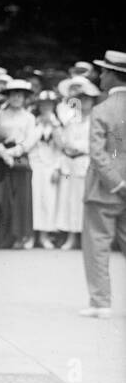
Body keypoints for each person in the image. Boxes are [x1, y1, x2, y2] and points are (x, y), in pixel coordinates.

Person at [81, 50, 126, 318]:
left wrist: (118, 183)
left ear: (112, 75)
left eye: (104, 72)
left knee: (97, 244)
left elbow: (98, 154)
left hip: (105, 190)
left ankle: (101, 303)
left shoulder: (102, 109)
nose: (100, 76)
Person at [0, 80, 38, 249]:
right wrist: (2, 152)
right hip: (1, 159)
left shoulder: (29, 117)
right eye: (13, 94)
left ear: (24, 98)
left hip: (19, 159)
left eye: (20, 95)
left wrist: (13, 153)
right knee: (3, 198)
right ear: (8, 96)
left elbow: (30, 141)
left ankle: (21, 236)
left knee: (21, 200)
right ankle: (5, 237)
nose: (16, 98)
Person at [54, 77, 97, 249]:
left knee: (84, 201)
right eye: (82, 99)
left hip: (85, 162)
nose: (84, 102)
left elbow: (94, 143)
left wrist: (77, 147)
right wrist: (67, 145)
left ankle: (86, 238)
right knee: (70, 200)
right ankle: (71, 237)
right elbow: (65, 140)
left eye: (87, 99)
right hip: (70, 163)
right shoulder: (72, 118)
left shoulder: (96, 119)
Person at [30, 91, 64, 248]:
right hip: (35, 164)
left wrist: (58, 168)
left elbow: (62, 146)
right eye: (43, 104)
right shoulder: (34, 121)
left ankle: (44, 236)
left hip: (51, 165)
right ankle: (31, 235)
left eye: (49, 104)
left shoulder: (58, 123)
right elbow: (29, 142)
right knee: (34, 199)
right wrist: (40, 125)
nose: (46, 107)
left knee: (48, 200)